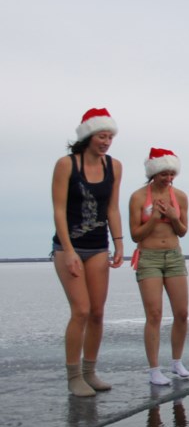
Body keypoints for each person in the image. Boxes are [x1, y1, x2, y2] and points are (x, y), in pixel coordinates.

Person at [51, 107, 124, 397]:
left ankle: (90, 371)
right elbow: (58, 209)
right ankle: (73, 375)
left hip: (98, 247)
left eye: (110, 137)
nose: (106, 142)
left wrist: (119, 244)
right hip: (68, 246)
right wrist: (67, 250)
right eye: (101, 136)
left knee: (96, 312)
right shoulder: (67, 164)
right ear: (88, 136)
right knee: (80, 310)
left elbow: (112, 208)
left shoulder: (114, 166)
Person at [129, 147, 189, 386]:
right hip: (149, 257)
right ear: (153, 173)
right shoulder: (137, 197)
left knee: (182, 313)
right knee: (154, 314)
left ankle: (177, 361)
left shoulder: (181, 197)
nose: (168, 178)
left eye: (171, 173)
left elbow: (183, 231)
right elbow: (135, 234)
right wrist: (154, 218)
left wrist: (174, 217)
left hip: (174, 256)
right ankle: (154, 368)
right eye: (164, 173)